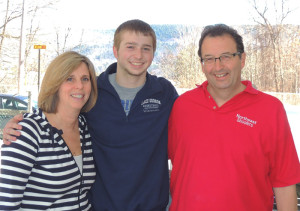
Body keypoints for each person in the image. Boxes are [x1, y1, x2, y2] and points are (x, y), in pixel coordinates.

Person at [2, 20, 178, 210]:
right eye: (130, 47)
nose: (138, 55)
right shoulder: (94, 91)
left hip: (151, 206)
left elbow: (191, 127)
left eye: (146, 48)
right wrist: (21, 126)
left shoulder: (164, 92)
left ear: (153, 53)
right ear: (115, 51)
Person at [168, 23, 300, 211]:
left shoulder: (270, 110)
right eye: (209, 59)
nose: (218, 66)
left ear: (242, 59)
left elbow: (284, 182)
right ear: (202, 65)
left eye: (226, 57)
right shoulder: (182, 107)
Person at [0, 51, 98, 210]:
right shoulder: (28, 131)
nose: (79, 86)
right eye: (69, 79)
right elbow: (6, 203)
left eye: (85, 79)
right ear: (55, 84)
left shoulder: (85, 128)